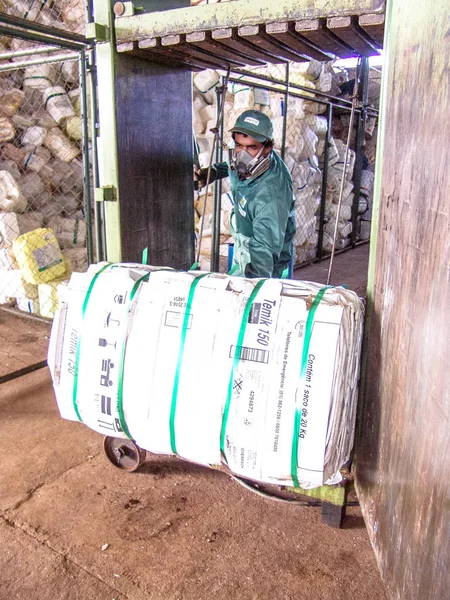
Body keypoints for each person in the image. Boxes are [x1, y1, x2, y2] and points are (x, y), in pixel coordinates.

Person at [197, 109, 295, 279]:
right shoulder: (247, 161)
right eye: (239, 145)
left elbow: (265, 249)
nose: (243, 154)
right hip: (246, 240)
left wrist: (253, 285)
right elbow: (231, 164)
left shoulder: (271, 194)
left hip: (266, 258)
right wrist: (214, 172)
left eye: (251, 147)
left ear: (268, 148)